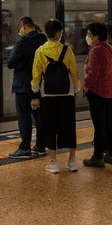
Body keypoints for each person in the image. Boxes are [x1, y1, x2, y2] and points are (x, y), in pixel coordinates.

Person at [31, 18, 81, 174]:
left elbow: (36, 76)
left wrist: (35, 93)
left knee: (50, 127)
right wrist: (76, 90)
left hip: (48, 96)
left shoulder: (40, 51)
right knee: (69, 126)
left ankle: (53, 163)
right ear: (59, 33)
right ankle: (72, 161)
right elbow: (74, 72)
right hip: (67, 94)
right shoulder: (67, 50)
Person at [6, 16, 48, 158]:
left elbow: (11, 62)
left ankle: (24, 149)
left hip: (23, 85)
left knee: (24, 117)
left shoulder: (23, 40)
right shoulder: (43, 38)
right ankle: (40, 146)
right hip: (39, 85)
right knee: (39, 116)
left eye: (20, 29)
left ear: (23, 26)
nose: (20, 32)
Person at [82, 22, 112, 168]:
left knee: (99, 126)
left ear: (96, 36)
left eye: (89, 35)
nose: (87, 37)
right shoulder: (110, 49)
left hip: (98, 93)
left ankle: (98, 157)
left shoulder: (96, 51)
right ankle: (111, 154)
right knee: (109, 123)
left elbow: (93, 75)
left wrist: (85, 87)